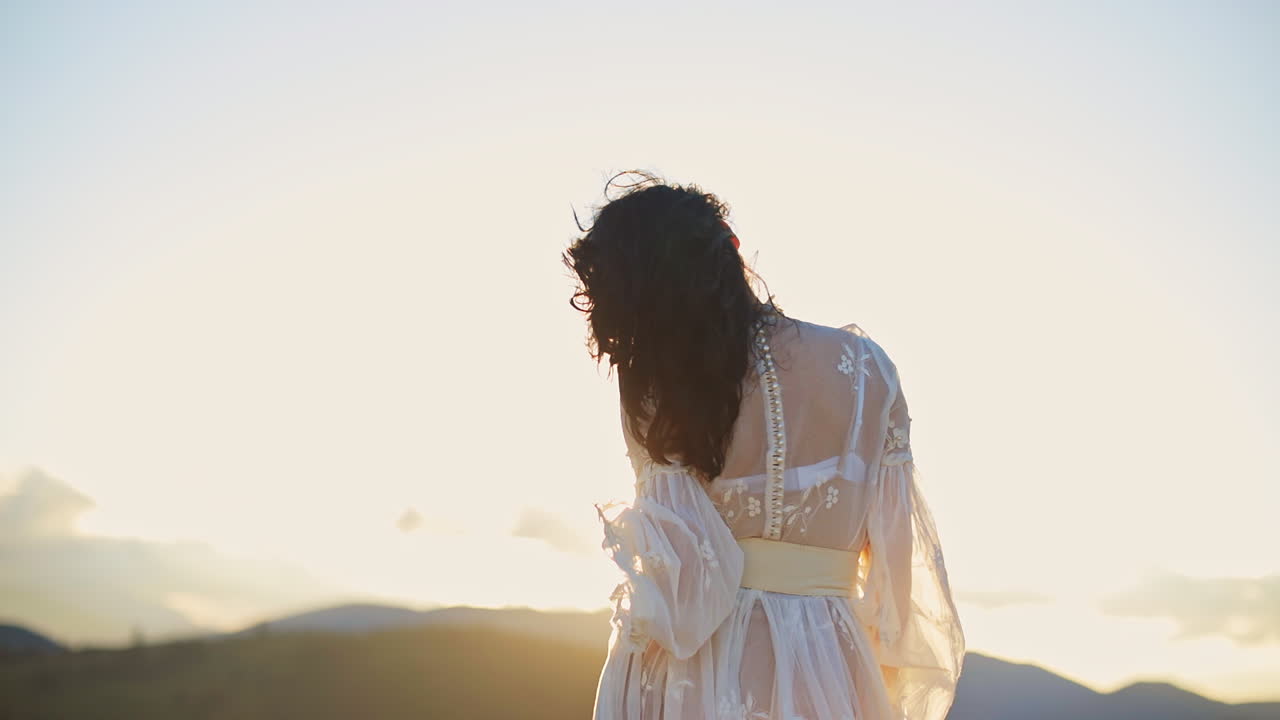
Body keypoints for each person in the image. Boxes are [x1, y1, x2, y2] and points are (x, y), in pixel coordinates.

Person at [562, 171, 965, 720]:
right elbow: (900, 572)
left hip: (698, 675)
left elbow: (686, 596)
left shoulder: (656, 389)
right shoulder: (869, 371)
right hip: (831, 662)